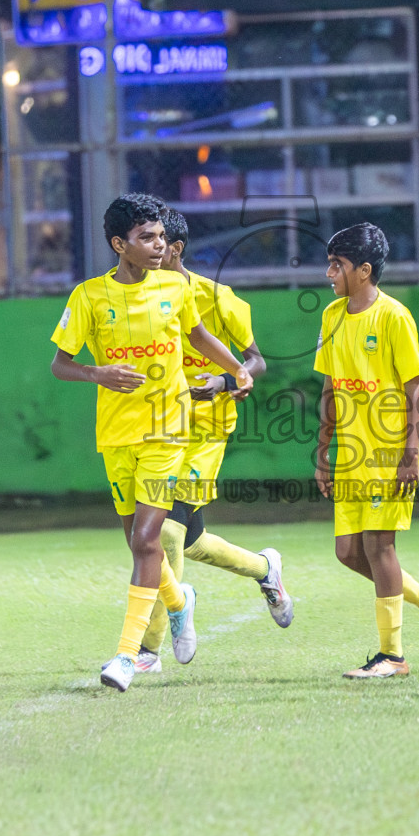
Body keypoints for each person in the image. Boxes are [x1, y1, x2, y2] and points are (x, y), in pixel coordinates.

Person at [50, 193, 254, 692]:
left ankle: (128, 656)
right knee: (137, 544)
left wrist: (236, 371)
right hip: (117, 434)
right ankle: (181, 602)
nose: (160, 245)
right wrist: (97, 372)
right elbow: (60, 364)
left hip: (169, 429)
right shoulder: (88, 297)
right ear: (121, 244)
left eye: (162, 236)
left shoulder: (175, 289)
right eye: (147, 237)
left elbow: (200, 336)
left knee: (147, 541)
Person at [135, 210, 292, 675]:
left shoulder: (218, 298)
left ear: (176, 249)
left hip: (206, 431)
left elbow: (255, 361)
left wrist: (225, 383)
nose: (153, 251)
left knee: (166, 532)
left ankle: (150, 647)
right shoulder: (145, 299)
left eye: (160, 243)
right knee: (193, 538)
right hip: (162, 427)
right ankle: (266, 570)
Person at [314, 222, 419, 679]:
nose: (329, 272)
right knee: (347, 553)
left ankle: (391, 655)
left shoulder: (394, 316)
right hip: (350, 453)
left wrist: (412, 450)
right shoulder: (332, 316)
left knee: (379, 546)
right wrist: (323, 450)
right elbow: (331, 388)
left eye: (337, 265)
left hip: (388, 452)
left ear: (364, 270)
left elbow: (416, 388)